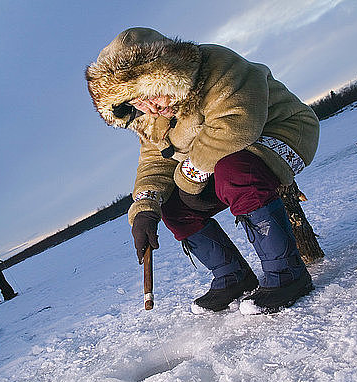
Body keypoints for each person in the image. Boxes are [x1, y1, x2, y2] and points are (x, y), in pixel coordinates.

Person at [85, 27, 319, 314]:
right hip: (218, 161)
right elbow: (155, 160)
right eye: (135, 101)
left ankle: (287, 274)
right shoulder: (150, 116)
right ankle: (233, 276)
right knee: (172, 205)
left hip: (282, 132)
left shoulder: (218, 66)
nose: (149, 107)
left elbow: (235, 126)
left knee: (236, 172)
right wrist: (145, 208)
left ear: (164, 74)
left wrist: (188, 177)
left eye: (149, 93)